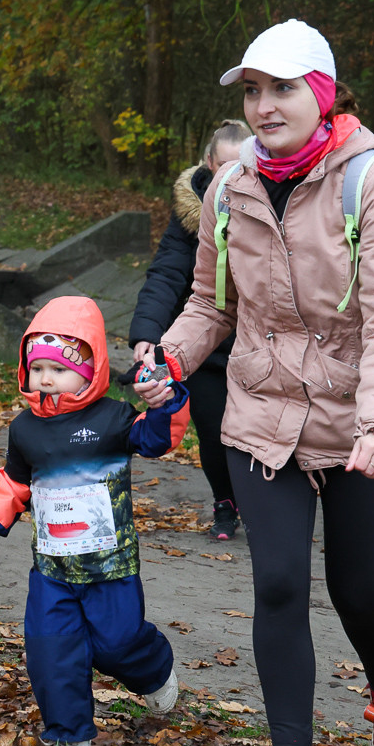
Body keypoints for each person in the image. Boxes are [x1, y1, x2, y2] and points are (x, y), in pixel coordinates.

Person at [134, 19, 374, 746]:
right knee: (277, 586)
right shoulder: (229, 189)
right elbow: (207, 303)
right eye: (253, 91)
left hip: (361, 421)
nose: (265, 106)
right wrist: (170, 357)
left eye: (283, 88)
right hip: (260, 416)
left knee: (356, 589)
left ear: (323, 94)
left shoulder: (372, 184)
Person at [0, 295, 191, 746]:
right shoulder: (24, 429)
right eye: (38, 368)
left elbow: (157, 439)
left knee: (117, 642)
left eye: (60, 368)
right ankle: (69, 737)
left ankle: (154, 671)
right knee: (52, 649)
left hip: (109, 564)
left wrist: (167, 402)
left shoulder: (113, 418)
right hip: (51, 569)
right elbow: (15, 483)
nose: (47, 378)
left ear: (91, 368)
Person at [128, 119, 252, 540]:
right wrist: (147, 332)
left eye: (244, 165)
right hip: (205, 347)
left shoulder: (271, 205)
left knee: (255, 432)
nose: (234, 176)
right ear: (207, 165)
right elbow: (166, 276)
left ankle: (259, 505)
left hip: (257, 348)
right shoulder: (192, 212)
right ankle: (225, 502)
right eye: (225, 167)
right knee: (214, 430)